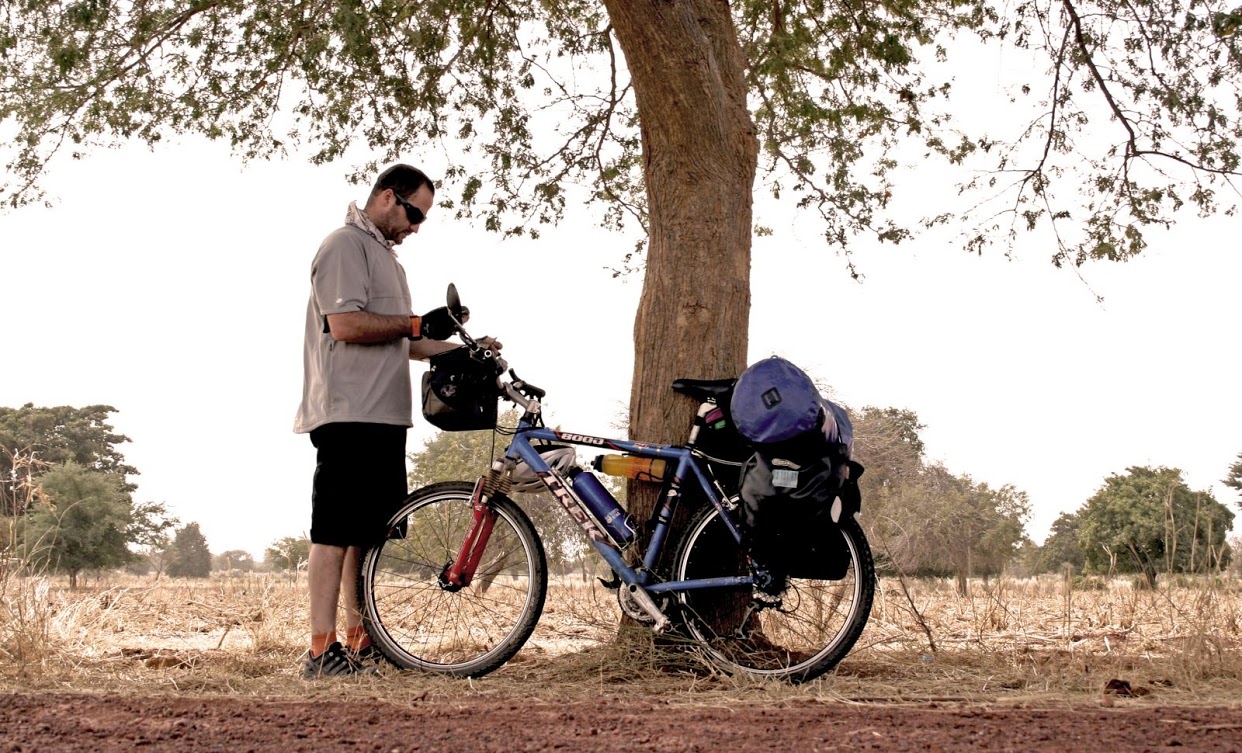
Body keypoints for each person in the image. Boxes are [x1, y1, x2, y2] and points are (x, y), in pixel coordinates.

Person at [293, 163, 498, 678]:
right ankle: (321, 651)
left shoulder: (388, 260)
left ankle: (360, 644)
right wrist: (413, 322)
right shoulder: (344, 245)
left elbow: (404, 340)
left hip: (385, 412)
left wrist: (464, 351)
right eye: (414, 214)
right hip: (347, 409)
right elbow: (345, 324)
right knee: (334, 532)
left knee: (367, 534)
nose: (416, 227)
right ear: (388, 197)